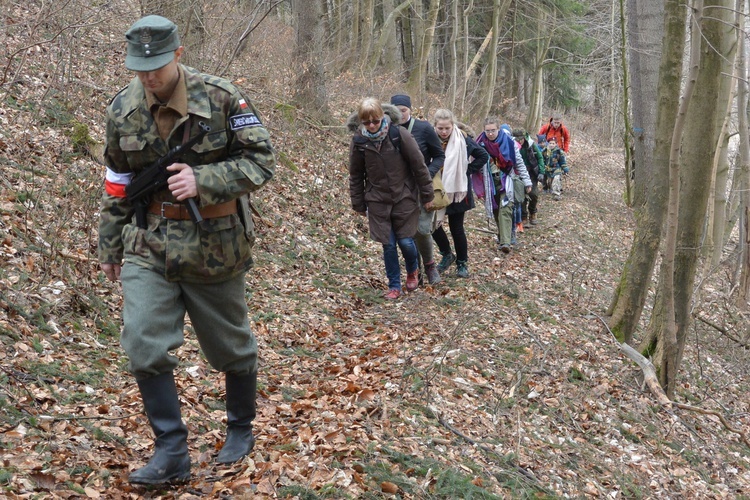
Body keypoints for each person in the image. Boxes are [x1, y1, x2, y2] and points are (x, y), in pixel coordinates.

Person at [98, 15, 276, 485]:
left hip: (215, 246)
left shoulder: (221, 98)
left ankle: (240, 426)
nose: (149, 75)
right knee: (142, 342)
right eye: (140, 66)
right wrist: (110, 244)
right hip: (148, 243)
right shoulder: (122, 110)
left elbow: (261, 160)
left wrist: (207, 180)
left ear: (177, 54)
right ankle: (171, 450)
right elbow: (118, 181)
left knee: (231, 347)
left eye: (156, 64)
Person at [348, 98, 434, 299]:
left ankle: (413, 269)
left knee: (405, 241)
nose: (371, 125)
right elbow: (355, 174)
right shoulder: (359, 141)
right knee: (388, 244)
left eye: (375, 121)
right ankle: (394, 285)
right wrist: (358, 203)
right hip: (377, 199)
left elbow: (419, 166)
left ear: (382, 117)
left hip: (404, 196)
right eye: (366, 122)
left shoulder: (398, 134)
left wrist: (427, 194)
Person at [390, 94, 446, 283]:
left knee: (422, 229)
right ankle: (415, 270)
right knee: (407, 233)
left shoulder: (424, 128)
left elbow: (439, 155)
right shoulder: (388, 130)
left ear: (411, 110)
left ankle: (430, 266)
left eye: (404, 110)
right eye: (396, 110)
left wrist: (427, 174)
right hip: (399, 189)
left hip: (423, 187)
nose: (401, 114)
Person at [431, 109, 489, 277]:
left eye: (447, 128)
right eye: (440, 128)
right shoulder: (429, 138)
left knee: (457, 228)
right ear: (435, 126)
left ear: (452, 125)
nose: (443, 132)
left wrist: (465, 171)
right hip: (436, 188)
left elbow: (482, 155)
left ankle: (462, 263)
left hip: (458, 190)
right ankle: (447, 254)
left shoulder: (462, 138)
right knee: (433, 226)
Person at [476, 117, 532, 254]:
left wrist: (527, 181)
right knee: (496, 210)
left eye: (493, 130)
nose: (490, 133)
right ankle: (502, 236)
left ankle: (506, 242)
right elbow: (475, 164)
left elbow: (519, 163)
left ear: (498, 129)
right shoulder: (480, 144)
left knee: (505, 209)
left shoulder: (509, 143)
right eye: (487, 131)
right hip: (490, 182)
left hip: (506, 180)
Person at [512, 128, 545, 226]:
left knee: (533, 194)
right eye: (517, 140)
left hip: (531, 173)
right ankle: (523, 216)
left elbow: (540, 157)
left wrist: (541, 172)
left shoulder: (531, 145)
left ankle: (533, 212)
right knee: (521, 196)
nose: (520, 141)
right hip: (518, 173)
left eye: (521, 139)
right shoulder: (512, 146)